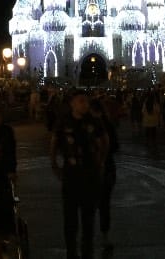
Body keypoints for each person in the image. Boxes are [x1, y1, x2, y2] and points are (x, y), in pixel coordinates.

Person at [50, 89, 107, 259]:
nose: (85, 104)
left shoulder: (94, 121)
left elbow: (104, 141)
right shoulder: (64, 122)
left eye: (86, 101)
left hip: (90, 175)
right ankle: (71, 252)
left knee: (88, 218)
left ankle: (87, 252)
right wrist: (54, 164)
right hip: (71, 175)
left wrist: (100, 161)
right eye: (81, 101)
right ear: (72, 103)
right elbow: (54, 142)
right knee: (70, 219)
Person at [89, 97, 119, 251]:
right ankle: (104, 235)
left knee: (90, 205)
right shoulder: (107, 124)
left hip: (93, 170)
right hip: (107, 169)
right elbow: (115, 146)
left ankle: (89, 236)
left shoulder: (88, 125)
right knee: (104, 204)